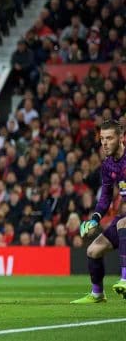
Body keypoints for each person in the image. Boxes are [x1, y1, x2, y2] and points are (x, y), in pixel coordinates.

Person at [72, 120, 126, 303]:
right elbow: (105, 198)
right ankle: (97, 294)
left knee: (122, 222)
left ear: (121, 138)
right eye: (102, 138)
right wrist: (94, 220)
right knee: (93, 251)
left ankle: (125, 278)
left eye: (109, 138)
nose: (104, 143)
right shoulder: (108, 165)